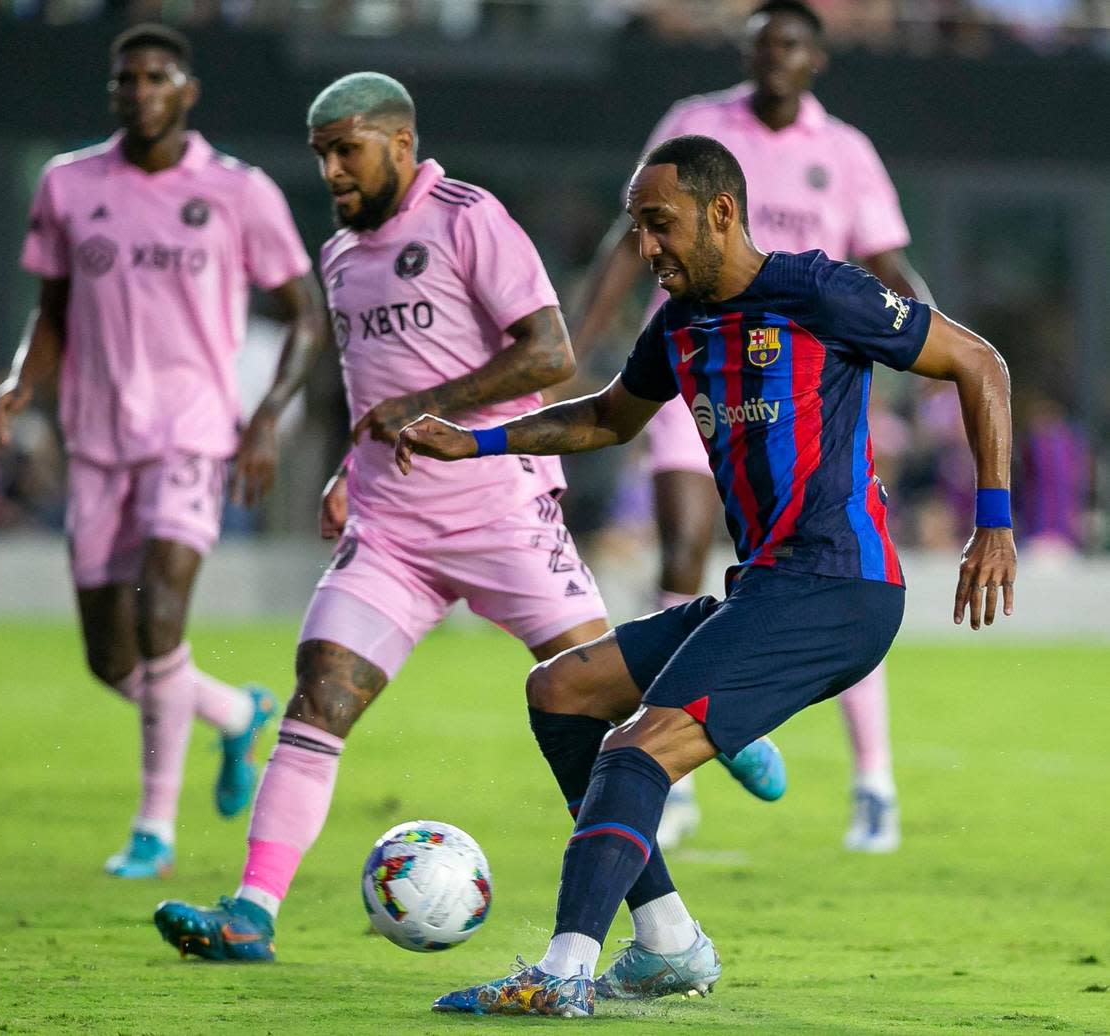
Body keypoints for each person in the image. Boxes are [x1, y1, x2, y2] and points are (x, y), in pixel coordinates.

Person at [150, 74, 784, 963]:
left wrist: (433, 404)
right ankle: (251, 913)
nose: (331, 169)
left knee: (605, 706)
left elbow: (551, 350)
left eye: (347, 149)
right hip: (391, 526)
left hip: (500, 511)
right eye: (321, 153)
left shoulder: (466, 216)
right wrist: (347, 462)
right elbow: (377, 386)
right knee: (321, 694)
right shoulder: (340, 255)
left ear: (399, 143)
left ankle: (718, 749)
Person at [396, 135, 1016, 1015]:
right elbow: (611, 417)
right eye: (637, 228)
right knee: (564, 692)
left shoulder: (817, 290)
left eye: (660, 225)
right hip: (766, 586)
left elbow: (978, 362)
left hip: (838, 588)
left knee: (634, 751)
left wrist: (993, 523)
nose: (646, 248)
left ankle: (562, 972)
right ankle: (668, 947)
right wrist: (479, 440)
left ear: (722, 212)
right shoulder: (680, 324)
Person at [572, 0, 931, 852]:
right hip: (701, 366)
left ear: (817, 60)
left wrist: (928, 341)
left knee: (828, 569)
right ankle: (678, 756)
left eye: (792, 45)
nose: (776, 58)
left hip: (805, 390)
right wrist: (577, 344)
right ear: (747, 52)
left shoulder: (843, 152)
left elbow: (884, 260)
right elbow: (633, 244)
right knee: (682, 545)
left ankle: (873, 778)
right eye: (763, 44)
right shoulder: (696, 125)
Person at [0, 25, 324, 879]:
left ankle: (154, 828)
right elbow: (54, 307)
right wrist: (23, 382)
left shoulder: (237, 192)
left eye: (154, 76)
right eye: (124, 78)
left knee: (160, 614)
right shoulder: (68, 183)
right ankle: (233, 713)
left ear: (187, 90)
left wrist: (260, 419)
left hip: (193, 431)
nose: (137, 90)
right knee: (110, 657)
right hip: (97, 438)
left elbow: (305, 315)